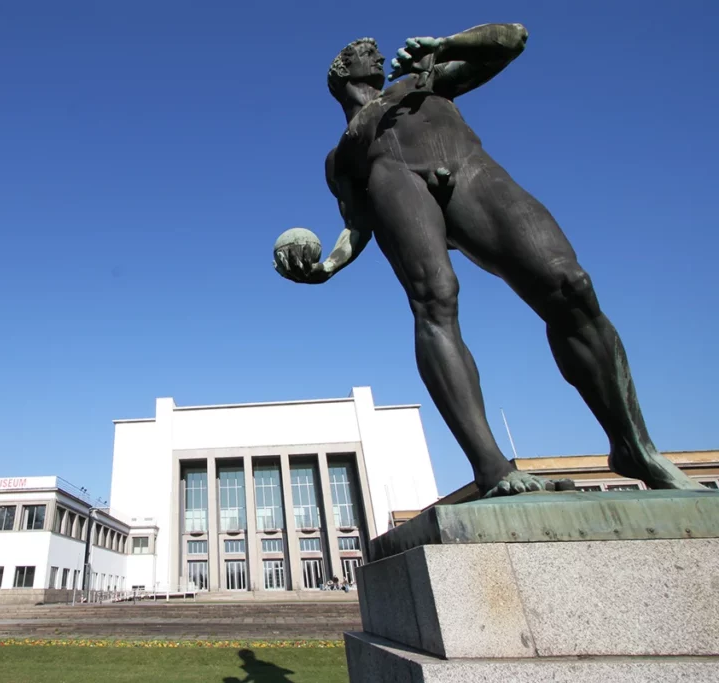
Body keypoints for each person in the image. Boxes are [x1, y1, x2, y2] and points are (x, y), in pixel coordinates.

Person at [275, 23, 706, 498]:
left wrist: (447, 45)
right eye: (361, 50)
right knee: (435, 300)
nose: (374, 51)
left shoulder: (421, 81)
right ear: (342, 72)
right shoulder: (342, 156)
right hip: (395, 184)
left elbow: (512, 40)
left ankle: (634, 447)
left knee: (570, 286)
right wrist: (327, 266)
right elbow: (357, 224)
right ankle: (492, 466)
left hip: (467, 169)